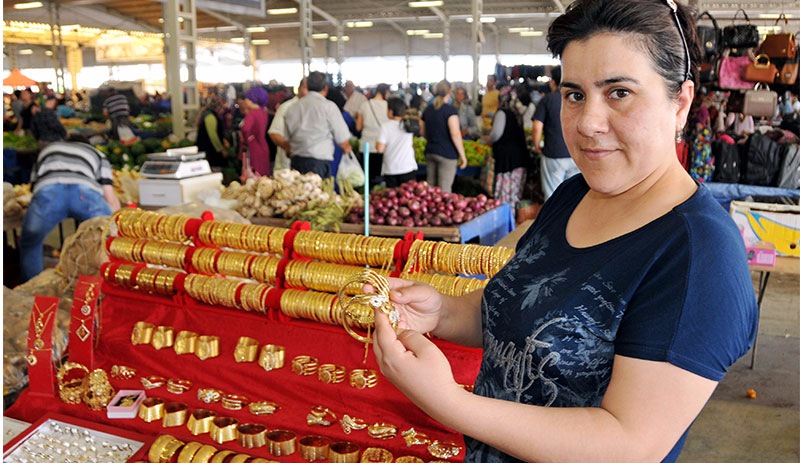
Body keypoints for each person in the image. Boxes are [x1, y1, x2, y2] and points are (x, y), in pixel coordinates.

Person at [371, 2, 758, 463]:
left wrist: (450, 403)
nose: (588, 123)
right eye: (574, 94)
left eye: (618, 93)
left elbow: (629, 444)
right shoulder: (575, 194)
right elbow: (520, 313)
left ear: (681, 102)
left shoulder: (699, 255)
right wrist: (443, 311)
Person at [20, 137, 121, 282]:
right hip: (84, 193)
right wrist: (116, 223)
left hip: (50, 192)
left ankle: (32, 287)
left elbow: (35, 186)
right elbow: (109, 194)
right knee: (107, 239)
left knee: (31, 242)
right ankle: (107, 284)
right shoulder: (96, 154)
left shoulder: (49, 149)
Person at [284, 71, 353, 178]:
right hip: (319, 163)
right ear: (325, 88)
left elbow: (286, 140)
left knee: (298, 193)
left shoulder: (293, 107)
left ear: (306, 86)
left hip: (296, 162)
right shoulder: (328, 107)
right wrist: (347, 147)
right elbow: (343, 140)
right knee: (318, 193)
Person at [532, 65, 580, 200]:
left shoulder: (547, 100)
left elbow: (537, 126)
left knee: (553, 197)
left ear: (553, 82)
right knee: (574, 196)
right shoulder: (578, 97)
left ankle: (556, 221)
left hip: (554, 155)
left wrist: (536, 146)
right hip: (575, 155)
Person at [421, 80, 468, 193]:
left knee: (430, 190)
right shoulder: (450, 111)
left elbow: (422, 132)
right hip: (447, 154)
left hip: (430, 151)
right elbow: (455, 134)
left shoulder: (427, 110)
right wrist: (463, 156)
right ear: (449, 92)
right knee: (444, 191)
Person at [486, 97, 529, 210]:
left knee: (504, 195)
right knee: (514, 193)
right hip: (519, 157)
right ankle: (513, 219)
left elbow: (496, 134)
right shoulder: (517, 113)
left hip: (507, 158)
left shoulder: (502, 113)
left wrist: (488, 140)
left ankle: (506, 221)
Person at [376, 97, 418, 188]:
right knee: (408, 197)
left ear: (391, 112)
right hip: (408, 167)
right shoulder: (409, 124)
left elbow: (380, 149)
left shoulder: (385, 127)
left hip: (391, 169)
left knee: (393, 197)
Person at [269, 78, 308, 171]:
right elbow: (274, 133)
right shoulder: (286, 107)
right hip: (287, 166)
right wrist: (288, 148)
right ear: (299, 89)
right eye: (306, 88)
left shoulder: (315, 108)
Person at [357, 83, 391, 184]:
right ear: (385, 92)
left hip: (365, 146)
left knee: (367, 179)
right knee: (380, 179)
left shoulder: (364, 105)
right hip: (382, 146)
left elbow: (358, 127)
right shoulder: (389, 107)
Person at [240, 86, 271, 178]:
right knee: (263, 175)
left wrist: (246, 138)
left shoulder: (252, 113)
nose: (245, 101)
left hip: (253, 147)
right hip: (263, 146)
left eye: (247, 98)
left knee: (253, 176)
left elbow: (245, 128)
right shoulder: (263, 112)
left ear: (251, 99)